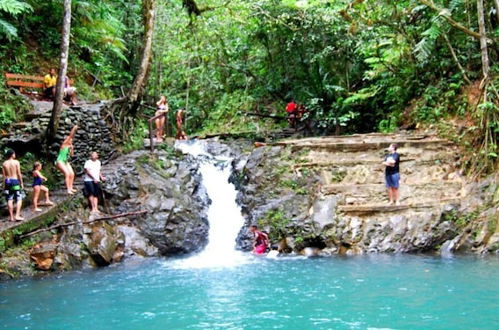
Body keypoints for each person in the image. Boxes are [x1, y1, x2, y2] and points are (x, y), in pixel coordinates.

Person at [2, 150, 24, 221]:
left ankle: (11, 217)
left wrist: (4, 186)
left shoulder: (4, 163)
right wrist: (21, 183)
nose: (15, 155)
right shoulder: (16, 162)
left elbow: (4, 176)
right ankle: (17, 215)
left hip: (8, 181)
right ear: (12, 155)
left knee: (9, 198)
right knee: (19, 197)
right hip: (14, 181)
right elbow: (19, 173)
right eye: (14, 154)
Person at [56, 125, 78, 195]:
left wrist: (72, 149)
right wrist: (74, 129)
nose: (71, 140)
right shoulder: (64, 145)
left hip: (65, 161)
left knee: (72, 173)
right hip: (60, 161)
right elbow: (71, 135)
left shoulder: (69, 147)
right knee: (67, 174)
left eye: (71, 140)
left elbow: (72, 155)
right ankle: (68, 189)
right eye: (69, 140)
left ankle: (71, 188)